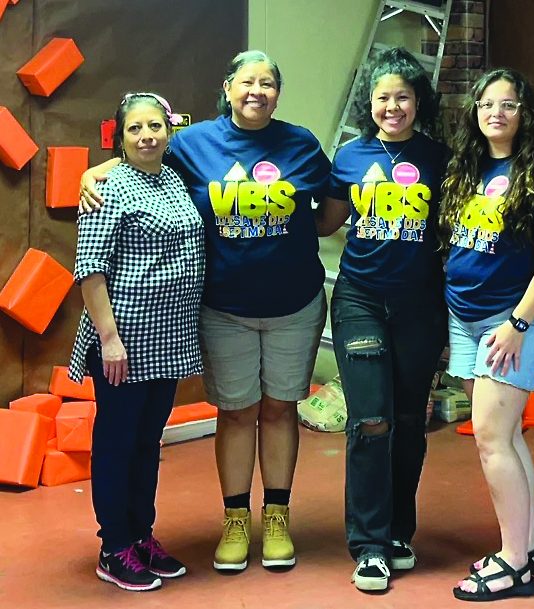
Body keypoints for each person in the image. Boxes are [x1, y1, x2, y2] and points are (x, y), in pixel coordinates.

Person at [80, 50, 330, 572]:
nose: (256, 91)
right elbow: (139, 154)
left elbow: (330, 210)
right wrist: (94, 171)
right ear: (228, 87)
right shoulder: (193, 144)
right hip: (224, 308)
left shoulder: (302, 143)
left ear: (278, 93)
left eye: (267, 82)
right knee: (235, 412)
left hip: (293, 305)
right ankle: (234, 521)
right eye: (247, 81)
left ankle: (276, 517)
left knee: (279, 409)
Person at [438, 68, 534, 602]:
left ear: (526, 113)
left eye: (508, 104)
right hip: (466, 316)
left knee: (492, 438)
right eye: (487, 104)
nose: (496, 113)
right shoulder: (468, 167)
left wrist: (518, 323)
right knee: (507, 434)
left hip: (513, 318)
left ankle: (515, 564)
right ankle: (532, 544)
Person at [315, 47, 448, 592]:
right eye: (382, 97)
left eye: (403, 97)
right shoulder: (349, 157)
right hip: (360, 299)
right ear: (368, 102)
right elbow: (325, 222)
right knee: (372, 419)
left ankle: (397, 533)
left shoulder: (441, 158)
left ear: (418, 102)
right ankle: (369, 546)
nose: (392, 107)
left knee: (410, 420)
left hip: (420, 303)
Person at [69, 92, 205, 591]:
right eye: (134, 129)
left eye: (154, 126)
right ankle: (114, 546)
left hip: (167, 339)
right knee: (117, 443)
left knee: (148, 443)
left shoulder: (172, 176)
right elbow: (90, 269)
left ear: (168, 131)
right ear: (119, 137)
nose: (146, 136)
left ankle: (141, 535)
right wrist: (109, 338)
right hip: (123, 340)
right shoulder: (107, 188)